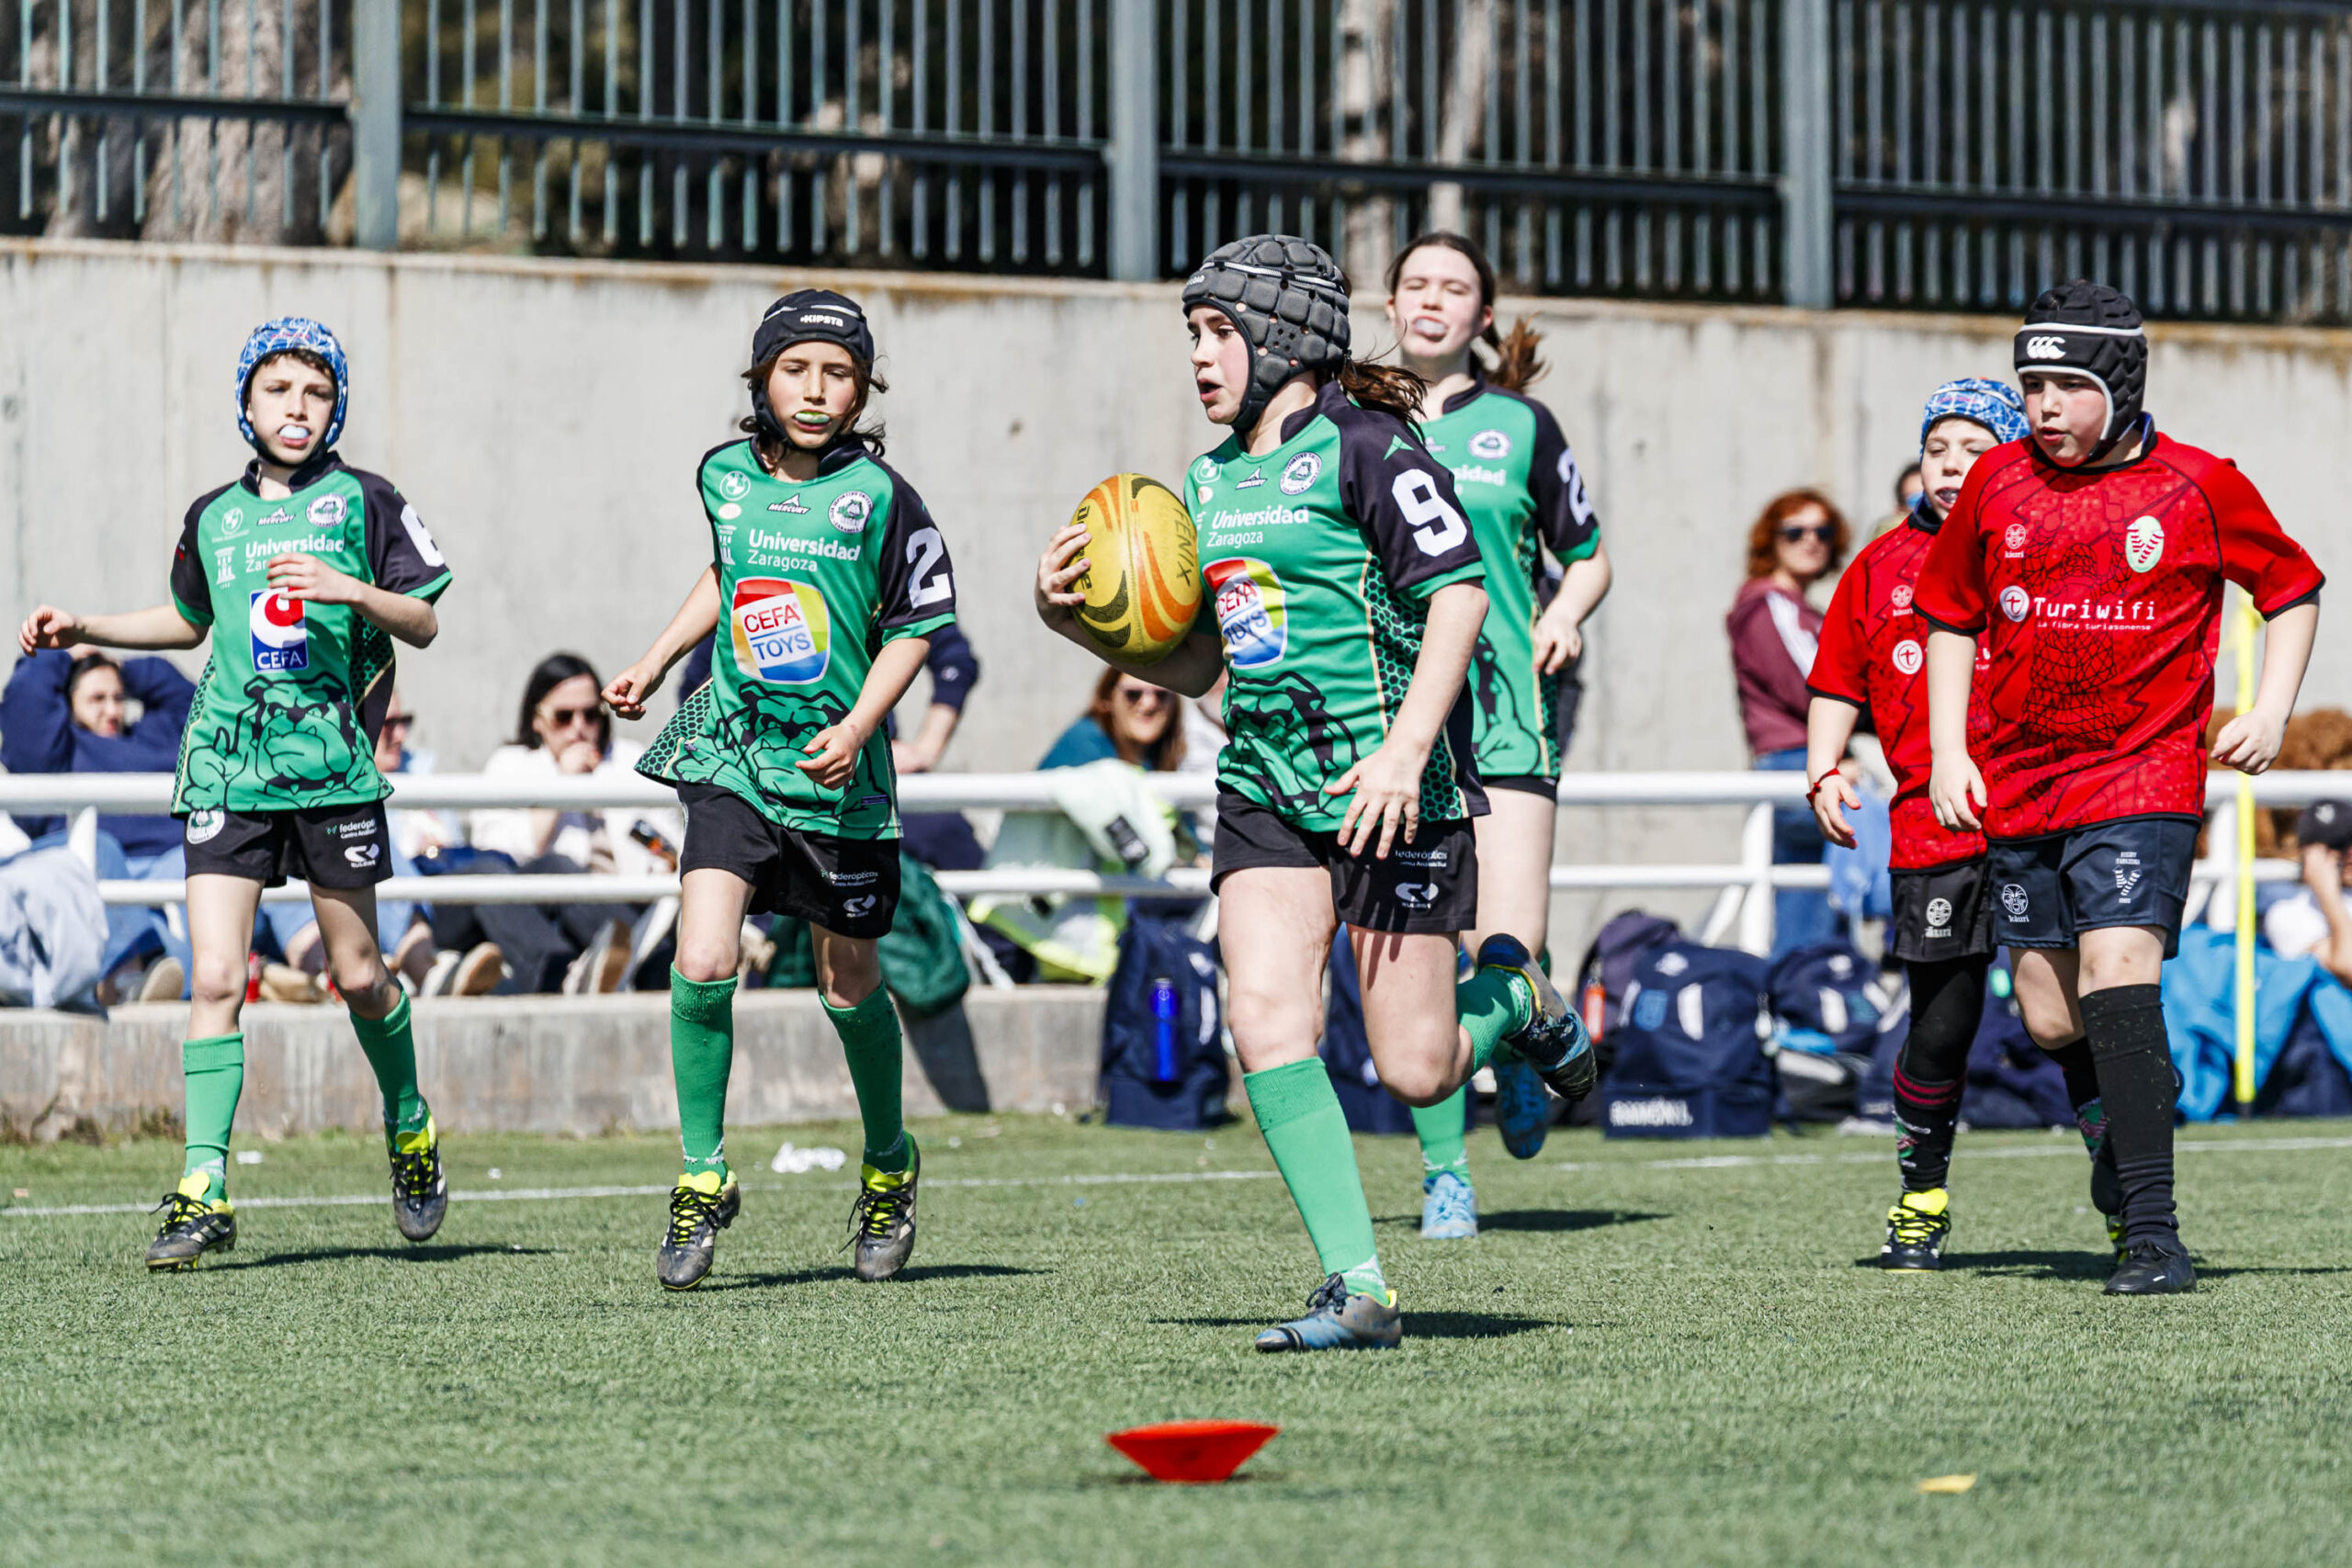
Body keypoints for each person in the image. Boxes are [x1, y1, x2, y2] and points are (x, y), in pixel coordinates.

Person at [1035, 234, 1594, 1353]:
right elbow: (1207, 665)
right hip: (1264, 783)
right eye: (1191, 336)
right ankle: (1359, 1285)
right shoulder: (1206, 481)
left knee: (1416, 1065)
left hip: (1389, 787)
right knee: (1265, 1018)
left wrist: (1403, 750)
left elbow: (1459, 601)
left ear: (1281, 337)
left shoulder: (1371, 445)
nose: (1197, 358)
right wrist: (1076, 620)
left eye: (1216, 334)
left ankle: (1520, 1004)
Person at [17, 316, 456, 1269]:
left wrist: (351, 590)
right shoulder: (213, 515)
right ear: (246, 404)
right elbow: (184, 622)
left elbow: (420, 620)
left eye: (317, 393)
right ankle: (202, 1185)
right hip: (226, 762)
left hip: (331, 768)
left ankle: (409, 1121)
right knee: (216, 977)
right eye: (278, 392)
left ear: (337, 407)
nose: (297, 410)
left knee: (358, 977)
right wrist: (82, 622)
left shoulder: (367, 501)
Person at [1918, 281, 2324, 1295]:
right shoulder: (1995, 483)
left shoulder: (2197, 484)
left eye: (2066, 384)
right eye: (2032, 385)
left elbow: (2292, 588)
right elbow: (1950, 616)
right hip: (2017, 775)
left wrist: (2269, 710)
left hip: (2143, 772)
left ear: (2119, 381)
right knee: (2053, 1016)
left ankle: (2153, 1234)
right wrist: (1945, 754)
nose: (2044, 404)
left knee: (2117, 971)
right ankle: (2134, 1107)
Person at [605, 288, 959, 1292]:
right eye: (795, 368)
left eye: (837, 373)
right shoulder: (721, 474)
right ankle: (701, 1171)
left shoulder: (883, 497)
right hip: (734, 750)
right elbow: (725, 574)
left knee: (846, 982)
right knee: (705, 954)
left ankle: (889, 1160)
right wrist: (652, 656)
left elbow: (915, 625)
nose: (814, 389)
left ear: (861, 391)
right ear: (760, 378)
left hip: (836, 774)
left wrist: (856, 727)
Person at [1807, 377, 2119, 1269]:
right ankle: (1920, 1205)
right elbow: (1836, 681)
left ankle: (2120, 1173)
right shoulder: (1875, 567)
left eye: (1972, 449)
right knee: (1939, 1028)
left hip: (2036, 823)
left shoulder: (2038, 546)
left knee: (2057, 1017)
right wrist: (1821, 771)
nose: (1950, 466)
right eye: (1938, 449)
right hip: (1928, 836)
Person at [1382, 230, 1612, 1235]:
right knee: (1422, 950)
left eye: (1454, 289)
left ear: (1481, 317)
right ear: (1388, 307)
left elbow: (1589, 554)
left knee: (1505, 949)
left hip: (1507, 720)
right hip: (1393, 728)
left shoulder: (1521, 425)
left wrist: (1563, 613)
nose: (1432, 302)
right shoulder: (1349, 422)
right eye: (1414, 285)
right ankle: (1446, 1176)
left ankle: (1521, 1026)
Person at [429, 653, 682, 994]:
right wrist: (562, 784)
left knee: (563, 873)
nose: (579, 727)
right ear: (537, 719)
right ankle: (564, 975)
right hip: (535, 913)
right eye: (564, 717)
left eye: (591, 715)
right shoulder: (513, 765)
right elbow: (502, 856)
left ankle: (623, 963)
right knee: (552, 867)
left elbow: (672, 847)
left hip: (628, 908)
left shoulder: (627, 760)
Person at [1, 646, 198, 999]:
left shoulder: (151, 737)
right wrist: (65, 655)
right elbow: (26, 700)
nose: (111, 709)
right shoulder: (54, 750)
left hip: (166, 868)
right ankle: (126, 976)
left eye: (118, 697)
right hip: (93, 875)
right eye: (97, 698)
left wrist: (121, 666)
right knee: (97, 845)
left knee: (212, 860)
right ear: (67, 701)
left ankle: (312, 966)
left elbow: (190, 702)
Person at [1727, 490, 1851, 954]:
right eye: (1795, 531)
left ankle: (1814, 1004)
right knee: (1810, 908)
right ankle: (1806, 1007)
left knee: (1814, 898)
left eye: (1822, 532)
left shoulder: (1799, 609)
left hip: (1811, 760)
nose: (1810, 541)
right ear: (1771, 540)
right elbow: (1817, 687)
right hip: (1795, 762)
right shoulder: (1769, 606)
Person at [1040, 669, 1188, 772]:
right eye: (1133, 694)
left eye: (1161, 694)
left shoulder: (1172, 752)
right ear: (1107, 698)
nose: (1149, 704)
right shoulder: (1083, 744)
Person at [2269, 800, 2352, 981]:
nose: (2349, 853)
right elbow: (2347, 966)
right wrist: (2328, 892)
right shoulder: (2288, 914)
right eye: (2336, 846)